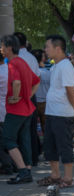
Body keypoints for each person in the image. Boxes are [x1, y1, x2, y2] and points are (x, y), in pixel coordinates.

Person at [37, 35, 74, 188]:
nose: (45, 50)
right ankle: (55, 175)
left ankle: (68, 178)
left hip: (63, 113)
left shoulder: (66, 66)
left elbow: (70, 90)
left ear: (58, 48)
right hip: (52, 112)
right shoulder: (55, 66)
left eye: (47, 47)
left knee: (64, 145)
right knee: (50, 145)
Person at [0, 35, 40, 184]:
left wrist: (16, 97)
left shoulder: (12, 64)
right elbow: (37, 80)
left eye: (2, 46)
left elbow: (16, 83)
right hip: (27, 108)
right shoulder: (22, 61)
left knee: (8, 140)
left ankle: (22, 171)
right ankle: (27, 170)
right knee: (24, 140)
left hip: (16, 109)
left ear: (9, 47)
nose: (1, 49)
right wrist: (28, 95)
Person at [14, 32, 42, 167]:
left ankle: (21, 162)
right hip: (32, 95)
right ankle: (33, 158)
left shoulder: (15, 58)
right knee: (31, 129)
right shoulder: (31, 57)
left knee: (19, 131)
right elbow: (38, 77)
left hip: (18, 96)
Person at [0, 51, 15, 175]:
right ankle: (14, 164)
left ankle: (7, 164)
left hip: (1, 110)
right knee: (11, 139)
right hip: (10, 109)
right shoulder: (9, 69)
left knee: (3, 141)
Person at [32, 49, 51, 133]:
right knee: (46, 126)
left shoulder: (32, 73)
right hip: (46, 102)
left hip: (34, 101)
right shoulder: (49, 73)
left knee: (33, 127)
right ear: (42, 59)